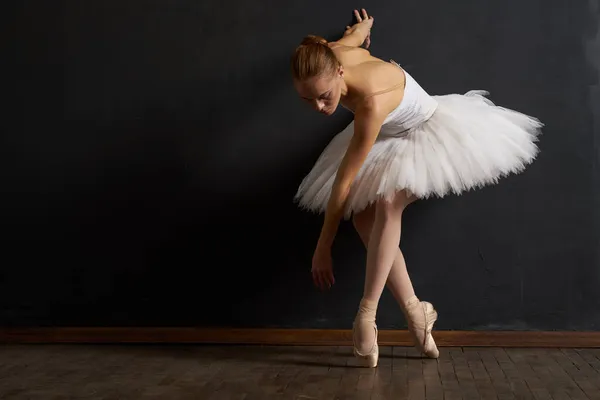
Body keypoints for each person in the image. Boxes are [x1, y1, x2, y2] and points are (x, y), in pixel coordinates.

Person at [290, 9, 542, 367]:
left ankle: (366, 314)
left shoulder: (371, 103)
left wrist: (323, 247)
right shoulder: (331, 53)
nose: (319, 106)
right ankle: (416, 311)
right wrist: (364, 26)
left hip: (424, 130)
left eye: (325, 96)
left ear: (340, 73)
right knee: (362, 217)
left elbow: (343, 181)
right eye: (308, 100)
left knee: (389, 203)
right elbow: (355, 37)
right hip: (386, 136)